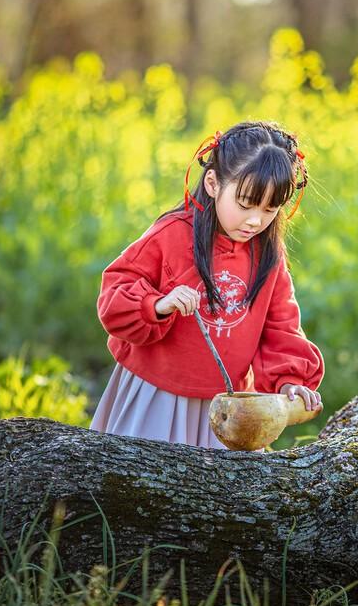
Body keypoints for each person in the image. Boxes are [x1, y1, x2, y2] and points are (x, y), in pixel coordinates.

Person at [91, 121, 324, 449]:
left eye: (270, 209)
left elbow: (281, 327)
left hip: (227, 411)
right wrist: (158, 304)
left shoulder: (268, 254)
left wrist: (289, 382)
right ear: (213, 183)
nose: (255, 220)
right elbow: (114, 294)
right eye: (245, 204)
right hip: (157, 396)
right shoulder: (171, 235)